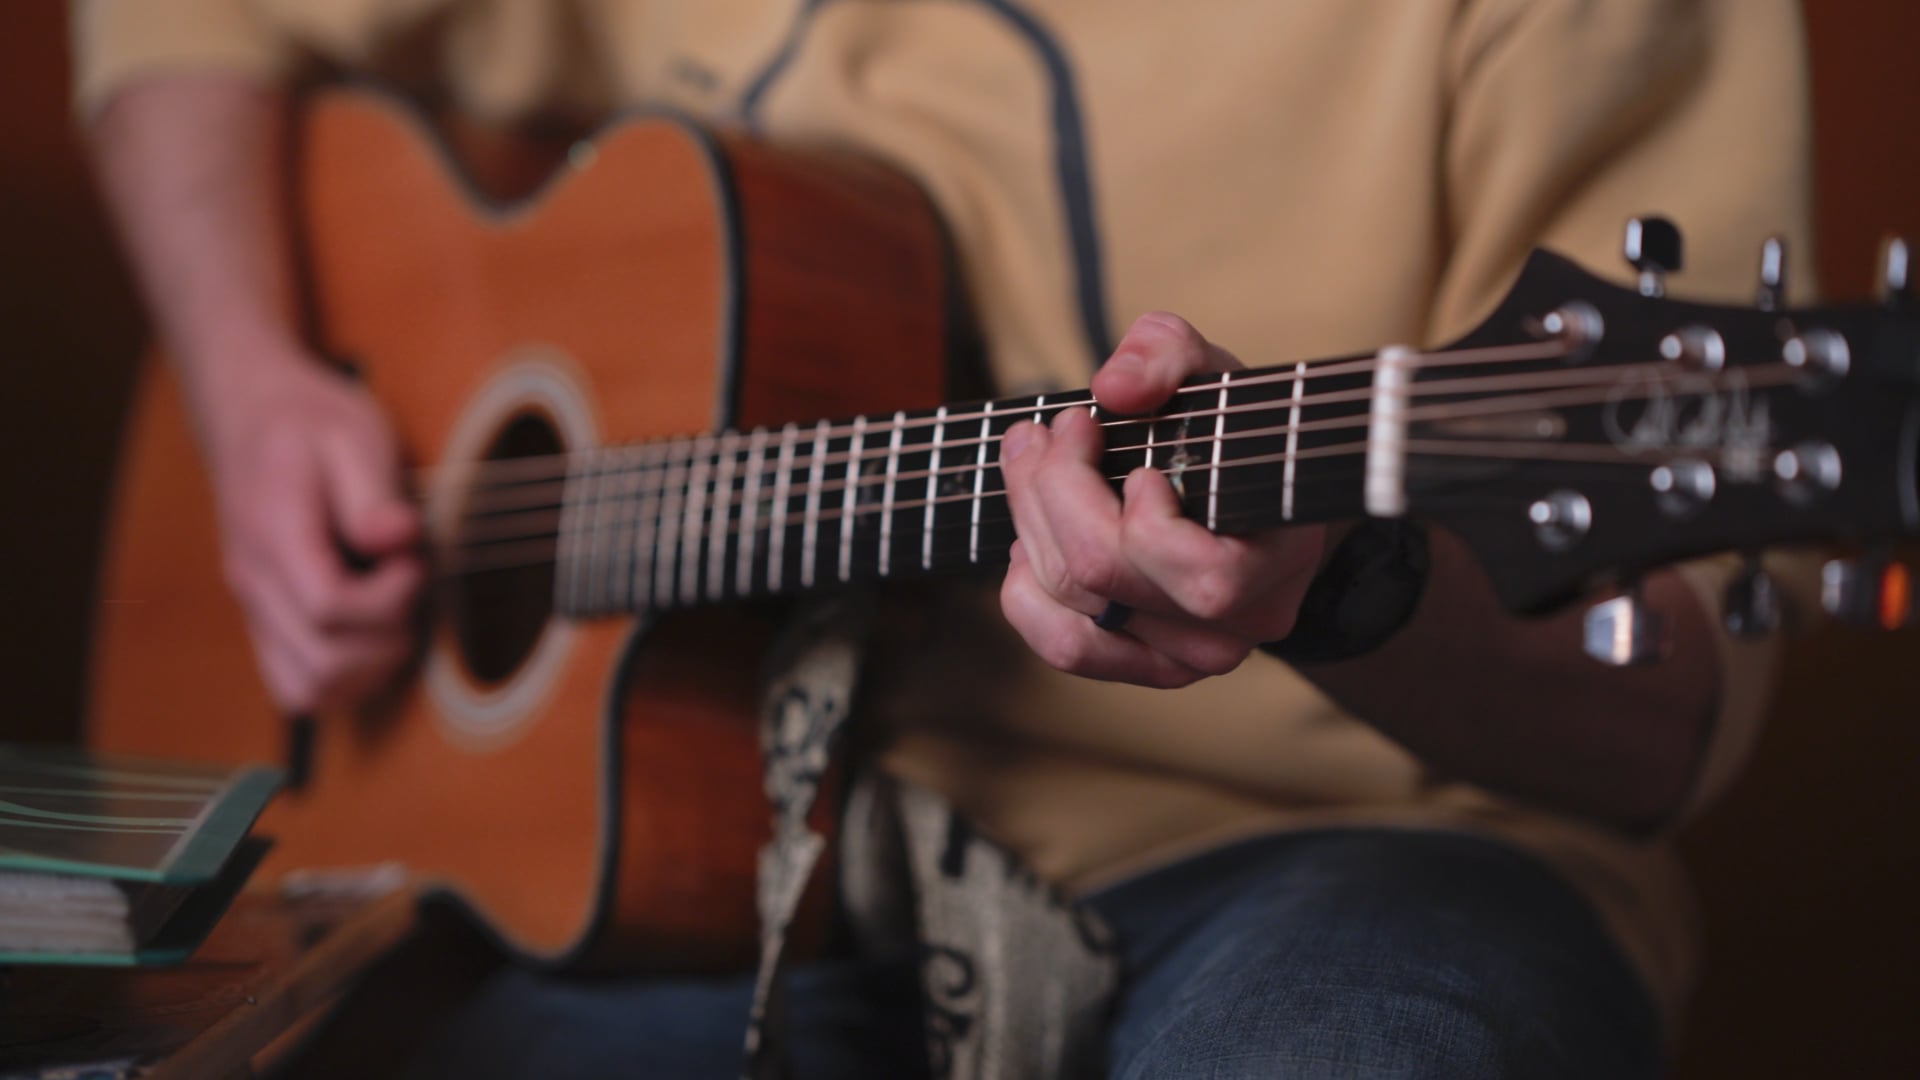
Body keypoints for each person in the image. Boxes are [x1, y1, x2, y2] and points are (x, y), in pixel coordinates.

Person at [71, 1, 1815, 1075]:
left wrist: (1353, 582)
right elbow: (177, 27)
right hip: (702, 881)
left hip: (1344, 857)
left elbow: (1667, 706)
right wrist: (249, 378)